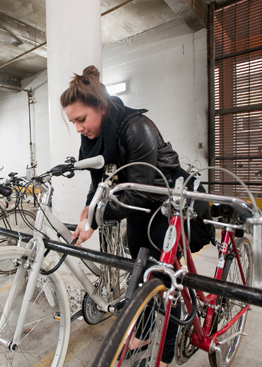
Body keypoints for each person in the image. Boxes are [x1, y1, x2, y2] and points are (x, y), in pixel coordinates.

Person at [61, 65, 212, 367]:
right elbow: (99, 183)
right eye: (73, 122)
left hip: (169, 204)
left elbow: (140, 191)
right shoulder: (93, 136)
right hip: (139, 208)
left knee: (160, 276)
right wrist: (91, 209)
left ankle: (165, 353)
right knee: (139, 271)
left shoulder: (136, 126)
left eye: (81, 119)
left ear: (101, 108)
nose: (78, 127)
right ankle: (143, 334)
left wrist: (94, 219)